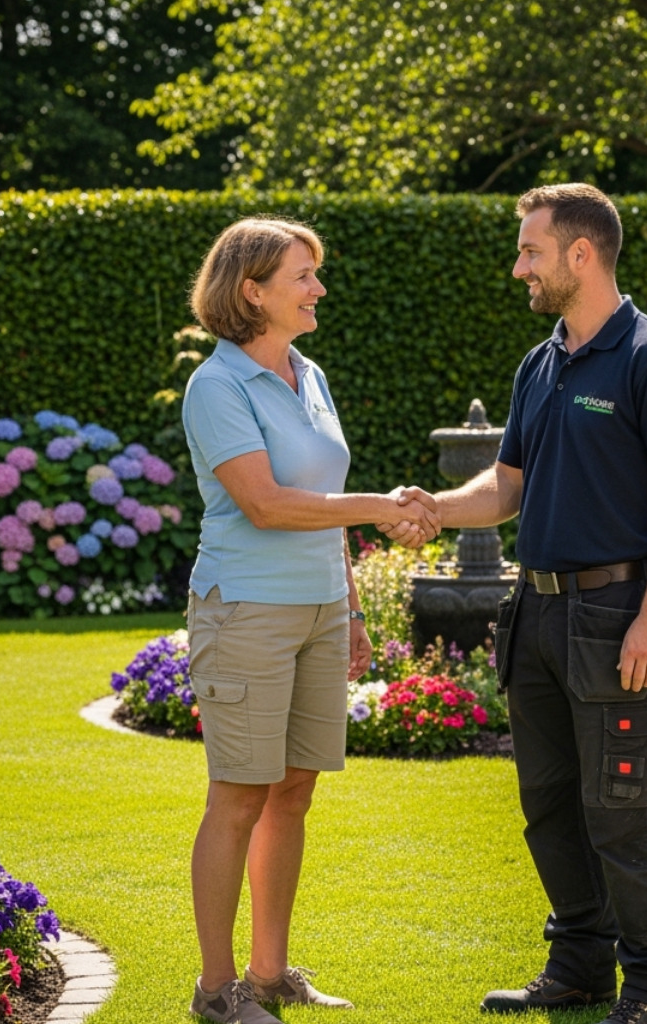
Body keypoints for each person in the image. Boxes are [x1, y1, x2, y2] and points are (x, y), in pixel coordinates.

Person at [384, 184, 647, 1024]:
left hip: (615, 614)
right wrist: (434, 508)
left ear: (580, 253)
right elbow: (507, 486)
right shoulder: (542, 362)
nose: (518, 266)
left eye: (530, 250)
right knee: (550, 807)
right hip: (532, 611)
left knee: (624, 813)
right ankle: (578, 968)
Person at [181, 216, 440, 1024]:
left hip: (321, 608)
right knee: (239, 794)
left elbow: (322, 511)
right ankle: (216, 991)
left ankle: (268, 975)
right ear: (251, 290)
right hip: (247, 609)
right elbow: (264, 503)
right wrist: (385, 507)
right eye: (303, 275)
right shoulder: (216, 386)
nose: (318, 287)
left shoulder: (308, 373)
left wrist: (352, 607)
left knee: (293, 791)